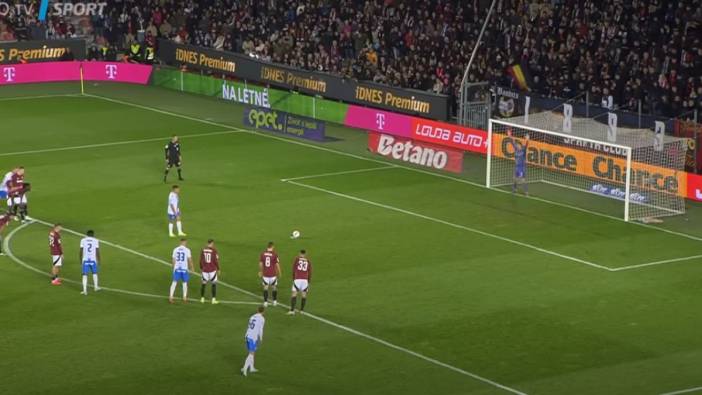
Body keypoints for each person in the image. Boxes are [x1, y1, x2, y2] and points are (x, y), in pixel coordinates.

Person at [241, 305, 265, 377]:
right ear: (263, 312)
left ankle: (251, 367)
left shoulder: (252, 316)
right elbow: (261, 329)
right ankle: (244, 369)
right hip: (253, 337)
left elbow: (249, 326)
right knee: (251, 353)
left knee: (252, 352)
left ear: (257, 310)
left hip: (248, 335)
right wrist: (261, 338)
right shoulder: (262, 319)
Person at [169, 238, 193, 304]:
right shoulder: (187, 250)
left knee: (174, 282)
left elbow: (173, 260)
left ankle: (171, 297)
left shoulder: (175, 249)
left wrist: (174, 268)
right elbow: (189, 260)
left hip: (177, 269)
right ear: (185, 242)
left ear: (180, 242)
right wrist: (192, 268)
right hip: (184, 269)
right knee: (185, 283)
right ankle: (184, 298)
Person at [288, 249, 312, 315]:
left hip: (297, 279)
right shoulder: (308, 261)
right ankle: (301, 310)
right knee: (304, 295)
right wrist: (308, 280)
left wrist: (293, 278)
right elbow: (310, 272)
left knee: (294, 294)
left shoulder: (297, 259)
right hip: (305, 280)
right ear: (305, 254)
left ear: (299, 253)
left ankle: (292, 310)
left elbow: (293, 269)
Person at [507, 129, 529, 195]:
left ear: (521, 146)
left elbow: (526, 145)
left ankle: (526, 192)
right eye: (517, 145)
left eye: (518, 145)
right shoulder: (516, 149)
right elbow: (512, 141)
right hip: (517, 167)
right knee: (515, 179)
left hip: (522, 168)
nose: (517, 146)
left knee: (522, 180)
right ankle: (515, 189)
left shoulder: (523, 150)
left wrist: (527, 139)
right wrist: (509, 135)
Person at [259, 241, 281, 307]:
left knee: (265, 287)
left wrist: (261, 271)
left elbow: (260, 263)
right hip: (273, 274)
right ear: (272, 247)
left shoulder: (262, 254)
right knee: (274, 287)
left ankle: (265, 302)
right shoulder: (274, 254)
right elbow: (277, 264)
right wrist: (279, 272)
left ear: (267, 246)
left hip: (265, 274)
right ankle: (275, 301)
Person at [79, 230, 101, 295]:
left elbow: (81, 250)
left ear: (87, 234)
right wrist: (99, 260)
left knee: (84, 275)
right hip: (93, 260)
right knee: (95, 273)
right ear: (93, 234)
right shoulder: (96, 240)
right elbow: (97, 251)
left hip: (85, 260)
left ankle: (84, 290)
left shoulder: (83, 240)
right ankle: (96, 287)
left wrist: (80, 259)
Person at [199, 239, 220, 304]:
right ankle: (213, 299)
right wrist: (218, 269)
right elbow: (216, 260)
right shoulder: (214, 250)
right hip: (212, 270)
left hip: (204, 270)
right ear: (212, 243)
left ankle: (202, 298)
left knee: (203, 284)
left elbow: (200, 260)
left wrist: (201, 268)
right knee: (213, 284)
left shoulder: (203, 250)